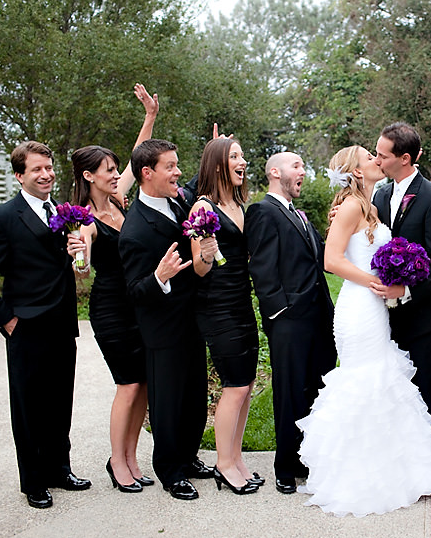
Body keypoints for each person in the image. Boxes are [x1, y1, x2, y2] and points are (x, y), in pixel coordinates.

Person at [296, 145, 431, 516]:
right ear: (356, 171)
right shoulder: (353, 207)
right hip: (359, 307)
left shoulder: (371, 204)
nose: (377, 161)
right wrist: (374, 281)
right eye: (370, 158)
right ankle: (358, 475)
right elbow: (331, 260)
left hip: (375, 306)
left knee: (383, 380)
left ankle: (393, 470)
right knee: (365, 381)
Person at [0, 141, 91, 509]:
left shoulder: (61, 211)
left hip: (62, 325)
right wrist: (7, 320)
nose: (46, 174)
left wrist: (76, 257)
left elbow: (69, 267)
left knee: (59, 402)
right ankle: (33, 481)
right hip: (26, 329)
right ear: (19, 175)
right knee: (29, 408)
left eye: (49, 167)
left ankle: (59, 469)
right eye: (37, 169)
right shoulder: (2, 218)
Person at [118, 138, 218, 501]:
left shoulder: (179, 202)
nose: (178, 173)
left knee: (194, 395)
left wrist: (213, 148)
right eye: (170, 166)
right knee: (168, 402)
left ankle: (189, 457)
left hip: (192, 319)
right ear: (147, 173)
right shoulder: (135, 229)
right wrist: (158, 277)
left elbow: (194, 185)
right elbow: (132, 291)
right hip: (162, 330)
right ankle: (170, 471)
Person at [71, 83, 158, 493]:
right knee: (127, 384)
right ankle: (116, 462)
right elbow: (81, 270)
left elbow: (136, 159)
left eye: (114, 169)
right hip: (109, 311)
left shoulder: (119, 201)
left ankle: (131, 456)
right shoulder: (84, 219)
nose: (114, 173)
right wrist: (79, 257)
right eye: (107, 170)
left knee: (142, 383)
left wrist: (149, 118)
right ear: (89, 176)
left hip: (138, 305)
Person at [245, 151, 337, 495]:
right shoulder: (262, 211)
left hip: (318, 319)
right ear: (274, 171)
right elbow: (262, 269)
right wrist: (279, 313)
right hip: (289, 322)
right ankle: (284, 465)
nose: (302, 172)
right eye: (296, 166)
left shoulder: (298, 214)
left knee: (315, 390)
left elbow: (321, 257)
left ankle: (305, 458)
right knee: (289, 393)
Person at [370, 123, 431, 444]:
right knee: (396, 389)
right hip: (386, 316)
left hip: (423, 315)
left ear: (404, 158)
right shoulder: (380, 194)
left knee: (428, 391)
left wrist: (405, 290)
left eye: (382, 155)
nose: (377, 161)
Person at [188, 136, 262, 495]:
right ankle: (223, 464)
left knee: (246, 385)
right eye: (235, 156)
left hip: (242, 302)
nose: (242, 161)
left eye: (242, 156)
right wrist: (205, 252)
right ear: (217, 164)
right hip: (217, 307)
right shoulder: (202, 208)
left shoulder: (237, 203)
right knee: (234, 386)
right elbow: (200, 270)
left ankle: (237, 458)